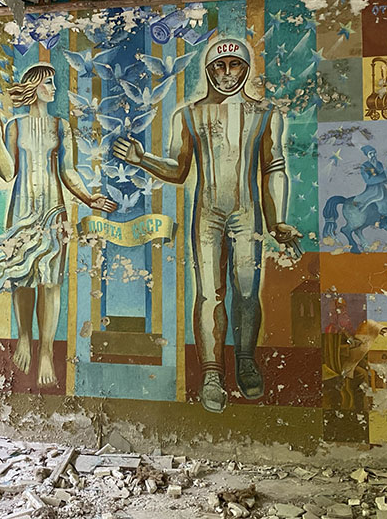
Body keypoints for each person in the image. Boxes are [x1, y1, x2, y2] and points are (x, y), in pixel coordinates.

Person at [113, 38, 302, 413]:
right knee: (209, 295)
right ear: (208, 69)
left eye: (235, 65)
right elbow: (178, 170)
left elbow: (274, 168)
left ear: (245, 68)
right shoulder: (187, 115)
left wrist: (277, 221)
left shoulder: (265, 114)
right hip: (208, 215)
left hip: (248, 213)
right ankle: (213, 374)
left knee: (246, 292)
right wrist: (142, 159)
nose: (227, 73)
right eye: (220, 66)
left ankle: (245, 360)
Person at [0, 63, 117, 387]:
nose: (53, 88)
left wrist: (88, 198)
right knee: (22, 278)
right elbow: (7, 173)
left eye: (54, 83)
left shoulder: (61, 126)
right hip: (21, 209)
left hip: (53, 210)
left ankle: (45, 350)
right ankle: (24, 336)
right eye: (48, 83)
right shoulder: (14, 125)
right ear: (33, 87)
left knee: (51, 282)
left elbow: (68, 171)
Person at [356, 145, 387, 230]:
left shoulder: (379, 164)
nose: (373, 155)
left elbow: (384, 177)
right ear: (367, 155)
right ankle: (380, 223)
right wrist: (385, 175)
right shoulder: (365, 166)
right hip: (373, 189)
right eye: (370, 154)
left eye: (374, 153)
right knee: (383, 204)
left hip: (382, 188)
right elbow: (369, 180)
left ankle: (385, 222)